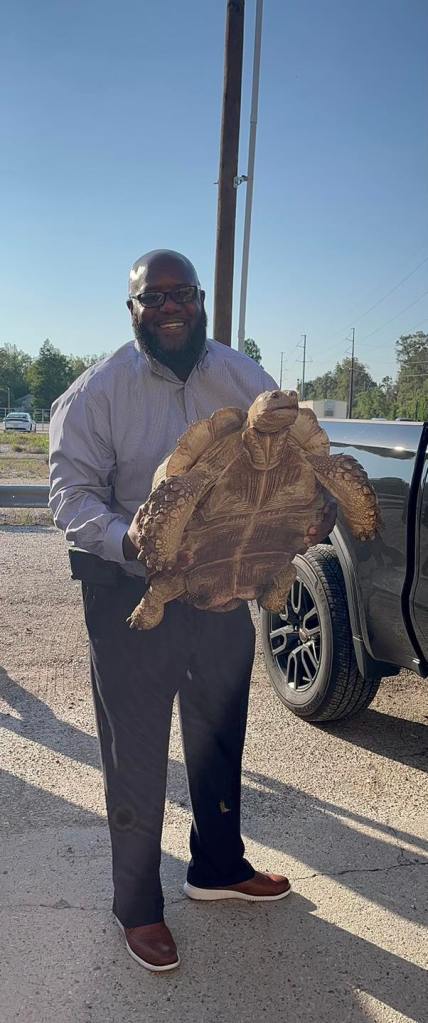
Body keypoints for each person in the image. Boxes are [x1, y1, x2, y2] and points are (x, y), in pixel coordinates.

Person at [49, 249, 335, 972]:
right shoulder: (95, 393)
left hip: (227, 580)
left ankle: (217, 864)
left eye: (183, 294)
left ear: (201, 300)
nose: (170, 306)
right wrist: (132, 543)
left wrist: (318, 503)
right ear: (133, 309)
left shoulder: (243, 377)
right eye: (155, 297)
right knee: (136, 751)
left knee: (217, 735)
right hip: (128, 588)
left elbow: (297, 456)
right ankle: (136, 904)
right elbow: (70, 495)